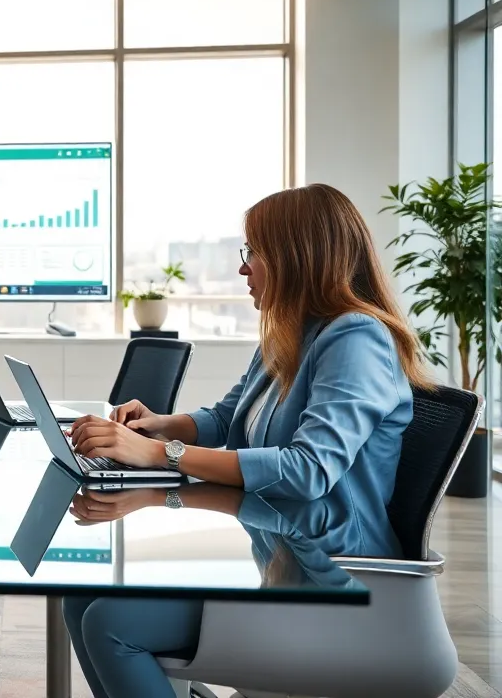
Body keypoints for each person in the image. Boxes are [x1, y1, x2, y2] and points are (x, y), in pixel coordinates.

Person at [62, 183, 432, 698]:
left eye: (252, 253)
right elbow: (227, 419)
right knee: (81, 599)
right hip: (285, 549)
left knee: (111, 622)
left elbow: (308, 470)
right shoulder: (288, 334)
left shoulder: (356, 338)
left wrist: (158, 456)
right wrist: (159, 424)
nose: (243, 268)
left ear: (296, 257)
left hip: (336, 583)